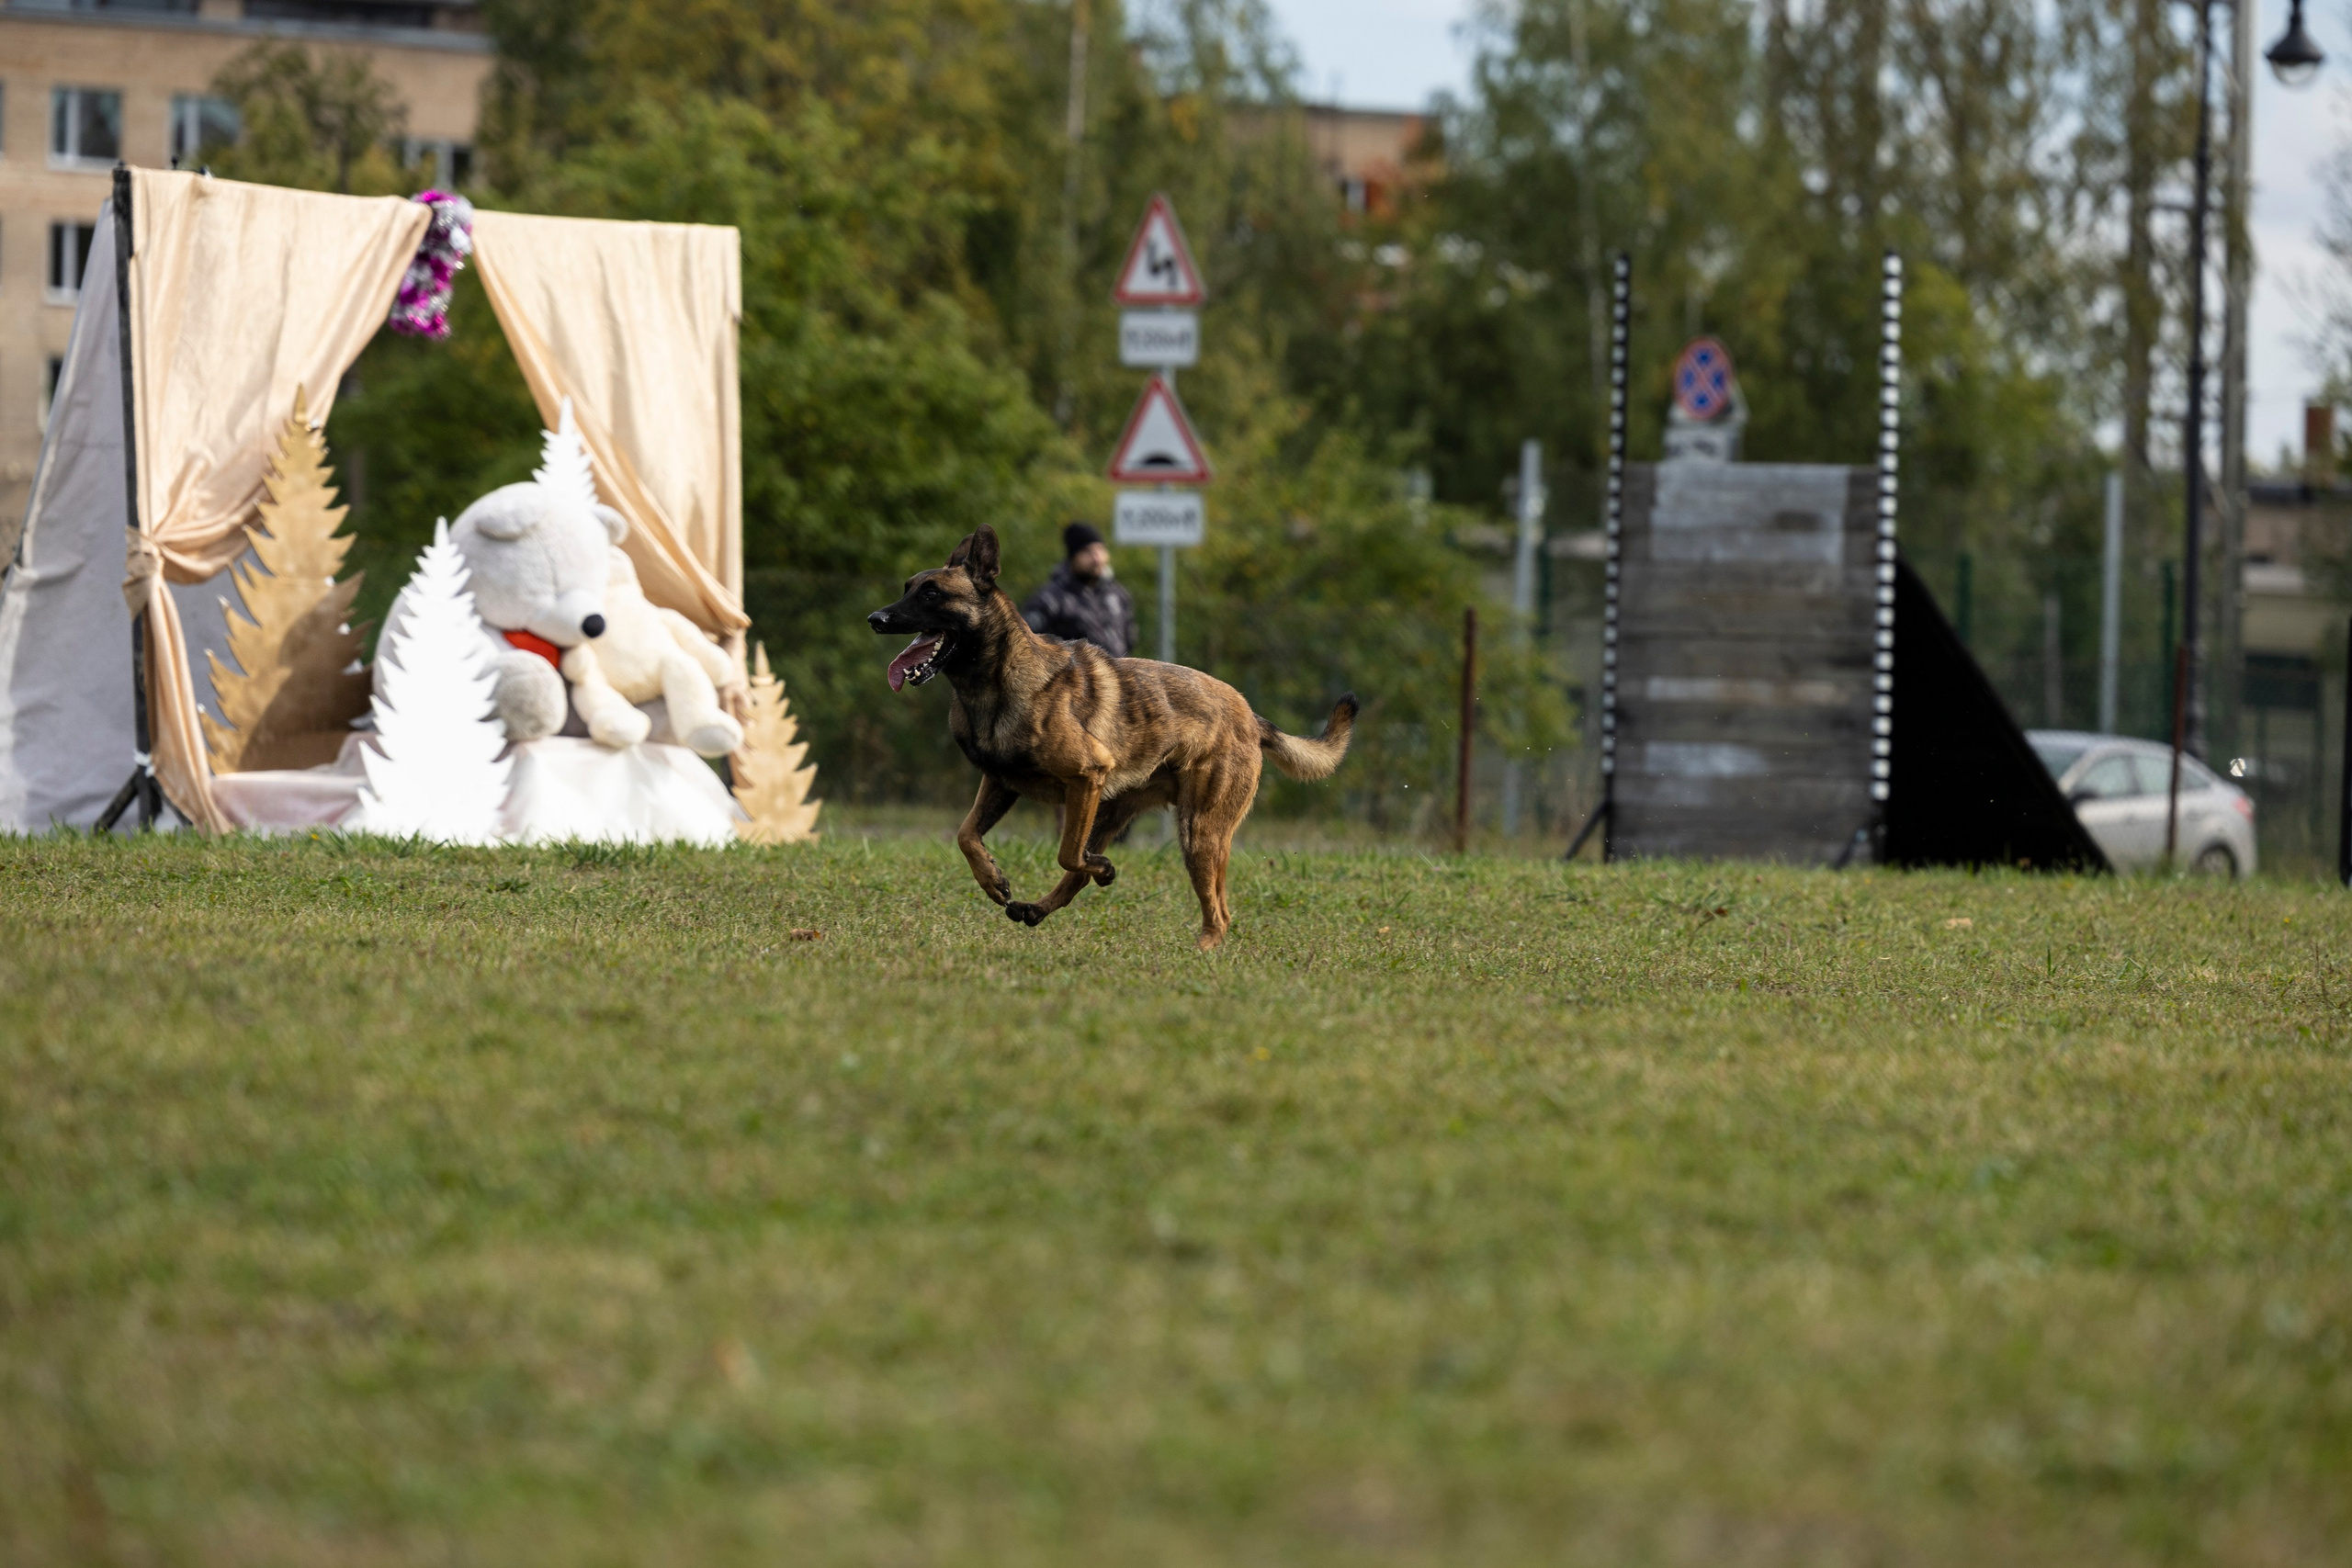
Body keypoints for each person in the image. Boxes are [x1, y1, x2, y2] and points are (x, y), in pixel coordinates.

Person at [1023, 522, 1137, 658]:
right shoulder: (1051, 599)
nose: (1097, 559)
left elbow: (1130, 638)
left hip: (1118, 670)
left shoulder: (1117, 595)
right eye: (1087, 552)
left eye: (1100, 550)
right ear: (1073, 557)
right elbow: (1027, 641)